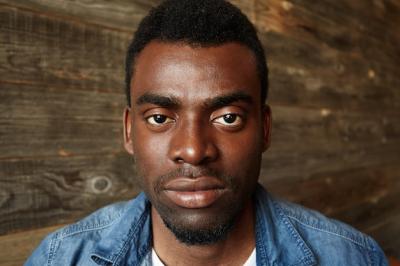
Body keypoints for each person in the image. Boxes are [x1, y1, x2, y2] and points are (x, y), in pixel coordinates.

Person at [26, 0, 388, 265]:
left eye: (228, 118)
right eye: (158, 118)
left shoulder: (353, 257)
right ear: (128, 131)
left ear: (264, 129)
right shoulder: (58, 259)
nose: (194, 150)